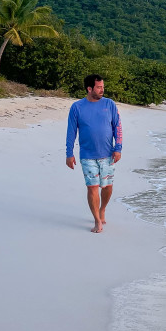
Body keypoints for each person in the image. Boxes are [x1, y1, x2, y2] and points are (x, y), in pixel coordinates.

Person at [66, 75, 123, 233]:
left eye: (102, 86)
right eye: (99, 87)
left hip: (108, 154)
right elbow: (71, 132)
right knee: (92, 188)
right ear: (89, 89)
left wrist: (118, 148)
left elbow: (117, 127)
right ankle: (97, 220)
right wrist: (69, 153)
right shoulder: (77, 107)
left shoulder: (109, 104)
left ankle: (102, 208)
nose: (102, 89)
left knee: (107, 187)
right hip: (87, 155)